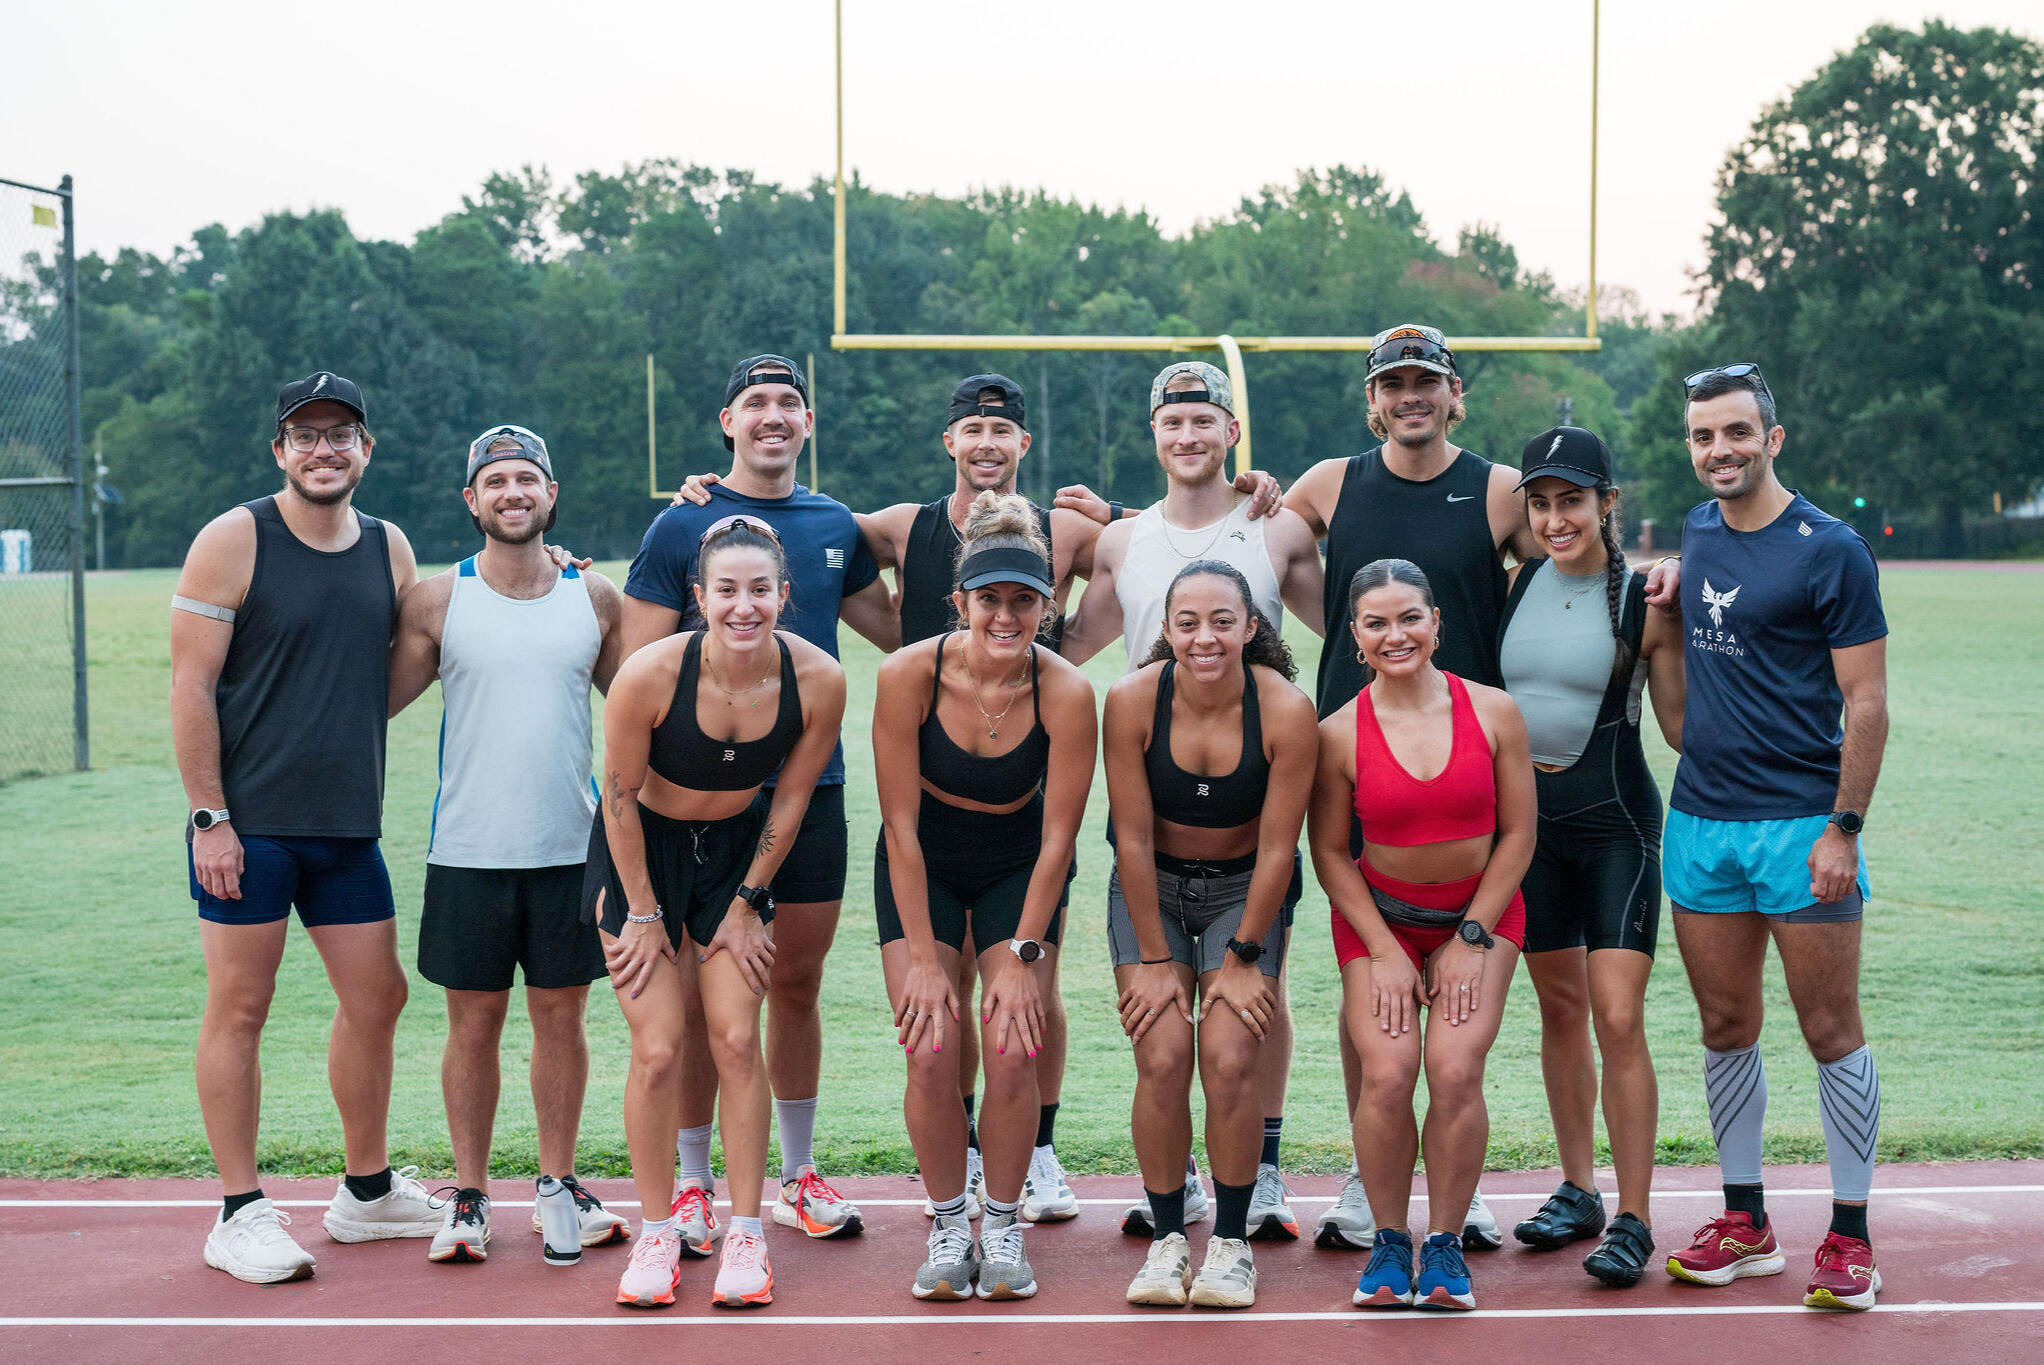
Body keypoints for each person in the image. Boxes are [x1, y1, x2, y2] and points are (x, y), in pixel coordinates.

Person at [1280, 323, 1681, 1251]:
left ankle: (1490, 1186)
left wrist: (1675, 568)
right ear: (1373, 399)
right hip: (1373, 758)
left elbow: (1583, 555)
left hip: (1487, 774)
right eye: (1393, 383)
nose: (1410, 395)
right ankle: (1375, 1173)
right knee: (1381, 990)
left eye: (1426, 380)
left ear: (1454, 392)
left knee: (1504, 1002)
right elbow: (1254, 548)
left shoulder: (1503, 490)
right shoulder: (1327, 483)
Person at [623, 355, 894, 1242]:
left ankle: (798, 1172)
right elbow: (633, 665)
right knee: (705, 994)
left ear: (807, 422)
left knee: (795, 981)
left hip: (807, 793)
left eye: (788, 402)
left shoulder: (835, 522)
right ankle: (694, 1180)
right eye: (755, 402)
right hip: (701, 806)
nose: (773, 415)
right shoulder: (682, 524)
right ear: (727, 421)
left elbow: (901, 627)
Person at [172, 371, 432, 1283]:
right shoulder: (234, 538)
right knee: (241, 1006)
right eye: (307, 435)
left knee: (379, 996)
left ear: (367, 448)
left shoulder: (390, 547)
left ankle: (366, 1193)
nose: (325, 449)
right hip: (249, 828)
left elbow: (411, 658)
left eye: (341, 434)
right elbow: (190, 686)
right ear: (279, 449)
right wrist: (210, 817)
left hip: (347, 827)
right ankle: (239, 1211)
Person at [1064, 360, 1322, 1242]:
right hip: (1155, 776)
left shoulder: (1273, 522)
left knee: (1253, 1008)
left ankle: (1264, 1164)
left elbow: (1352, 625)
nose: (1187, 435)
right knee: (1165, 1030)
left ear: (1231, 432)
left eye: (1204, 420)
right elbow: (1069, 641)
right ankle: (1178, 1186)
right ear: (1154, 434)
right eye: (1172, 422)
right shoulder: (1121, 540)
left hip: (1253, 789)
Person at [1661, 363, 1888, 1311]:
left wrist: (1844, 828)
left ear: (1773, 438)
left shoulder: (1831, 549)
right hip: (1700, 822)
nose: (1720, 450)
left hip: (1801, 825)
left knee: (1830, 1030)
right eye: (1703, 436)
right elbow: (1683, 682)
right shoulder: (1697, 530)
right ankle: (1745, 1221)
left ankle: (1852, 1236)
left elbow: (1866, 701)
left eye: (1737, 432)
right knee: (1725, 1027)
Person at [387, 424, 630, 1264]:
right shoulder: (435, 600)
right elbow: (369, 703)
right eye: (495, 481)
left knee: (562, 1019)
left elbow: (642, 703)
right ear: (472, 499)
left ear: (551, 493)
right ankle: (470, 1194)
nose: (512, 492)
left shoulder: (594, 597)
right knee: (473, 1024)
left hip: (570, 847)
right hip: (466, 849)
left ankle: (557, 1185)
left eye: (527, 478)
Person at [598, 515, 847, 1309]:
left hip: (737, 855)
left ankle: (746, 1231)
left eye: (760, 590)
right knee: (659, 1048)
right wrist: (644, 913)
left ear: (784, 594)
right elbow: (618, 799)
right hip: (642, 854)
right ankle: (658, 1230)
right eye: (728, 591)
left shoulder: (817, 678)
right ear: (700, 598)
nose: (745, 606)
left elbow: (794, 797)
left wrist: (746, 902)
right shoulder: (649, 674)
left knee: (737, 1037)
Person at [872, 492, 1097, 1299]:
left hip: (1019, 862)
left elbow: (1059, 839)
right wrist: (924, 959)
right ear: (959, 600)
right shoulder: (908, 674)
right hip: (923, 860)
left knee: (1012, 1046)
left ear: (1047, 604)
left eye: (1024, 600)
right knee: (931, 1045)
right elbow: (900, 828)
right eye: (989, 598)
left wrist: (1025, 957)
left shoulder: (1067, 690)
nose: (1006, 616)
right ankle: (946, 1223)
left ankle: (1001, 1225)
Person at [1308, 559, 1534, 1312]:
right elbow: (1330, 853)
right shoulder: (1338, 732)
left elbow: (1519, 834)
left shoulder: (1495, 711)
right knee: (1388, 1073)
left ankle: (1443, 1243)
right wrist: (1382, 950)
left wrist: (1471, 936)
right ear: (1355, 635)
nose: (1395, 634)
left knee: (1455, 1070)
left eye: (1410, 617)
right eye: (1376, 623)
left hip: (1482, 917)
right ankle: (1386, 1241)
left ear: (1437, 621)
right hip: (1381, 922)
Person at [1495, 427, 1685, 1286]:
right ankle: (1579, 1188)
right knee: (1560, 1007)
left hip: (1616, 826)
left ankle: (1635, 1216)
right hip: (1528, 832)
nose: (1555, 519)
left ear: (1608, 502)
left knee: (1617, 1013)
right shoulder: (1517, 583)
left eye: (1571, 500)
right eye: (1540, 503)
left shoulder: (1648, 599)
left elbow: (1681, 729)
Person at [1108, 562, 1319, 1310]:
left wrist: (1243, 958)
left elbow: (1279, 849)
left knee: (1230, 1057)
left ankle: (1231, 1244)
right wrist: (1154, 959)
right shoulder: (1132, 700)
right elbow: (1132, 840)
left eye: (1223, 621)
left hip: (1245, 892)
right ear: (1166, 629)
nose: (1205, 637)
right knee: (1162, 1054)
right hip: (1152, 890)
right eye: (1188, 622)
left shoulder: (1286, 709)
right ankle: (1169, 1238)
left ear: (1251, 627)